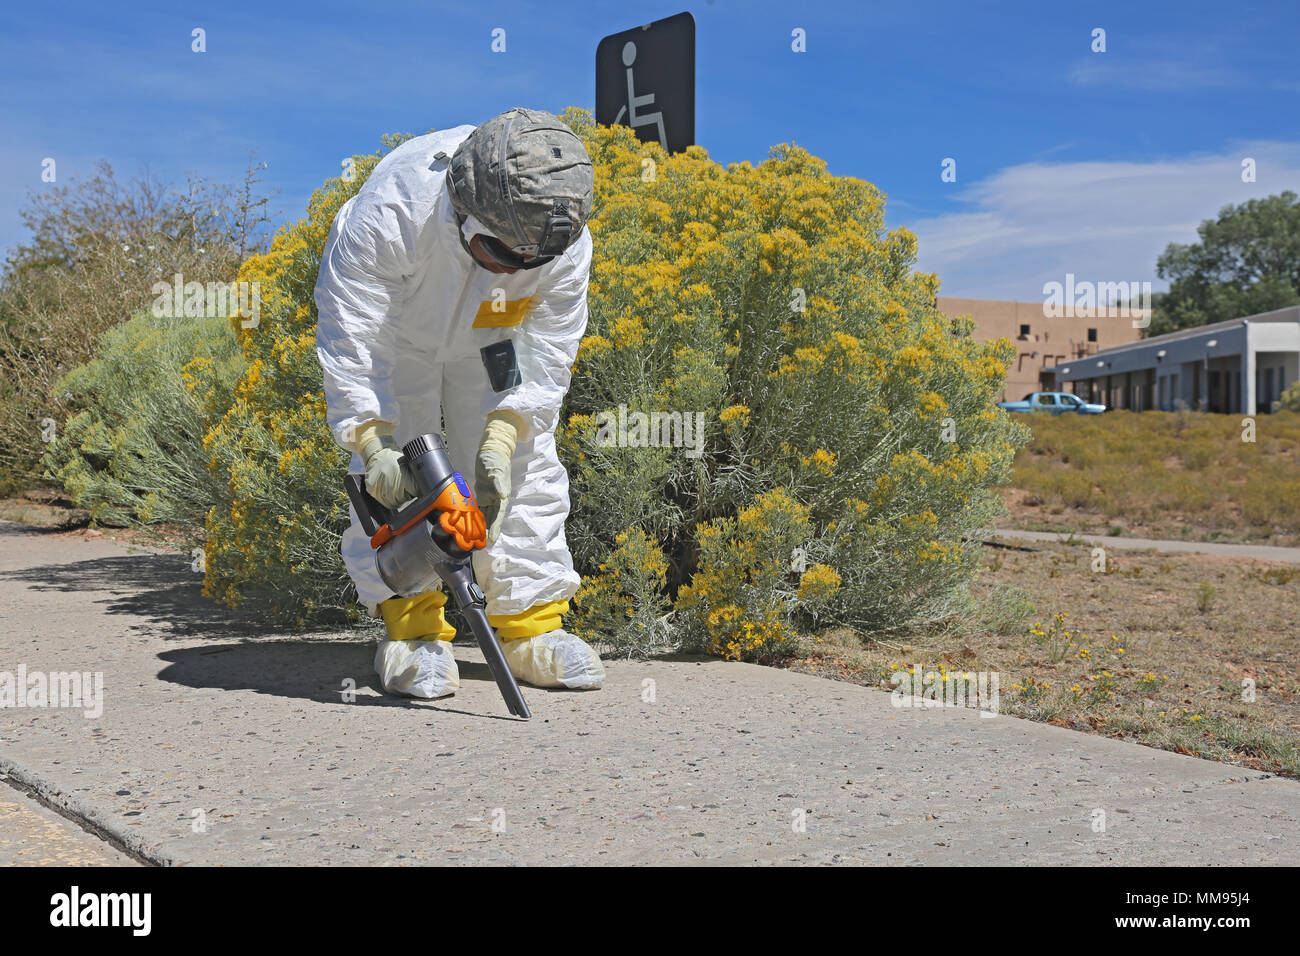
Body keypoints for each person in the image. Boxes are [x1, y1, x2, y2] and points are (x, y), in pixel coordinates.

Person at [314, 107, 605, 699]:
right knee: (404, 474)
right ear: (463, 210)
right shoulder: (392, 212)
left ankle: (530, 627)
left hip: (496, 337)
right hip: (397, 339)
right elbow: (355, 342)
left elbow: (548, 347)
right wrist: (372, 441)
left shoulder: (560, 237)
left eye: (531, 263)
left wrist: (505, 431)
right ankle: (412, 631)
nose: (518, 268)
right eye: (503, 254)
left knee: (526, 462)